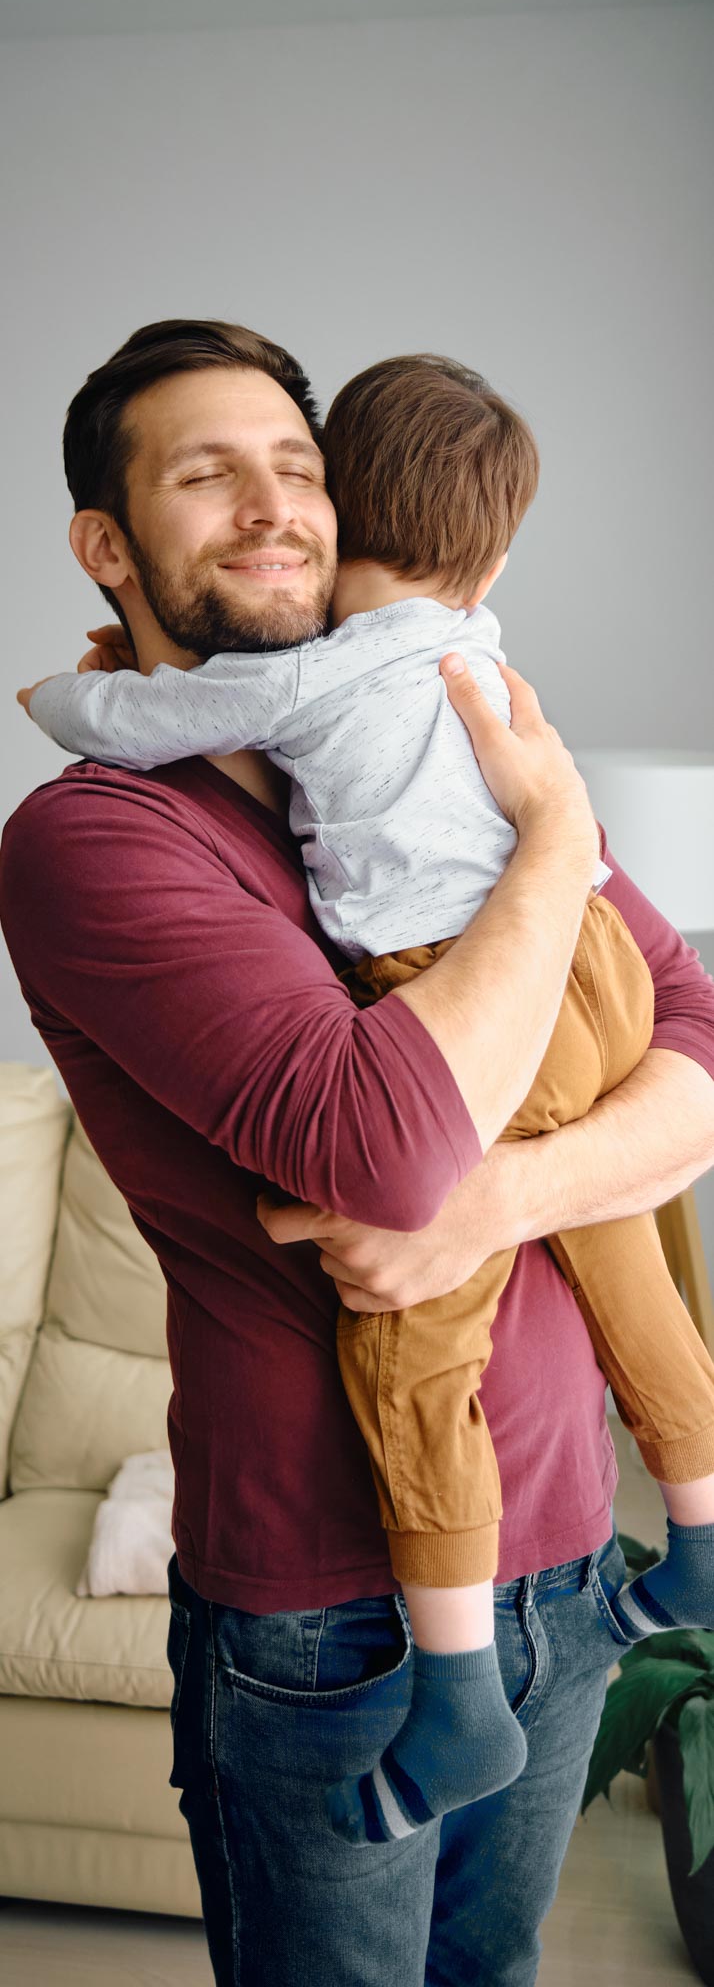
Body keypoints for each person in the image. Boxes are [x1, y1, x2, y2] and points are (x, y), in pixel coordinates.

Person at [2, 319, 714, 1987]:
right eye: (204, 474)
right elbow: (386, 1159)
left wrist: (526, 1190)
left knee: (495, 1978)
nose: (270, 509)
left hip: (560, 1555)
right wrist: (552, 840)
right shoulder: (101, 834)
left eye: (296, 467)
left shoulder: (431, 716)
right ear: (109, 542)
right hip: (332, 1608)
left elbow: (693, 1039)